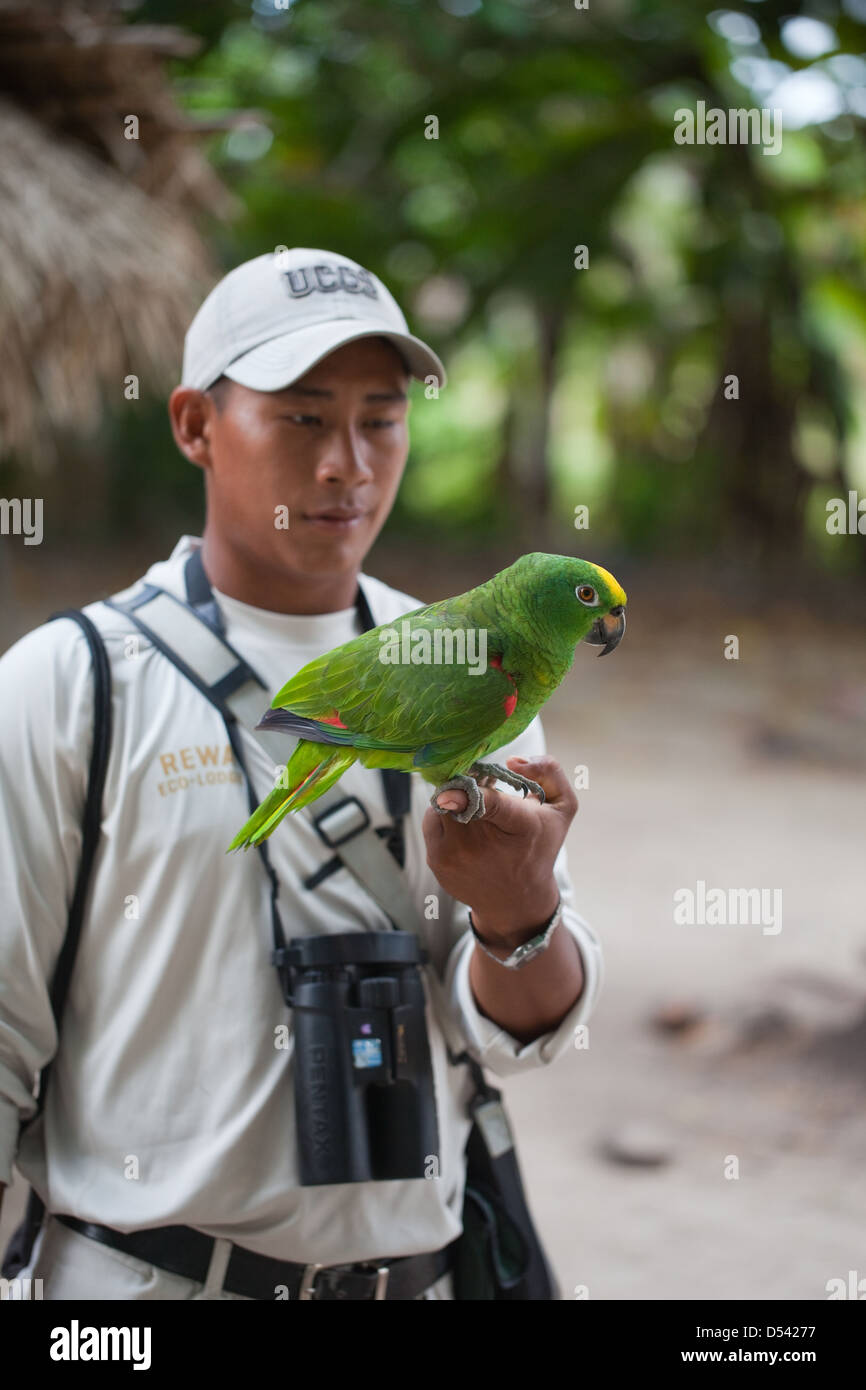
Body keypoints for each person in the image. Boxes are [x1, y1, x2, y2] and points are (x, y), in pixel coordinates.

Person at [0, 247, 603, 1300]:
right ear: (193, 424)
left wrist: (519, 909)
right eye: (301, 416)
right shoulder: (70, 685)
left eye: (380, 417)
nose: (347, 463)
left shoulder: (489, 663)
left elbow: (523, 1030)